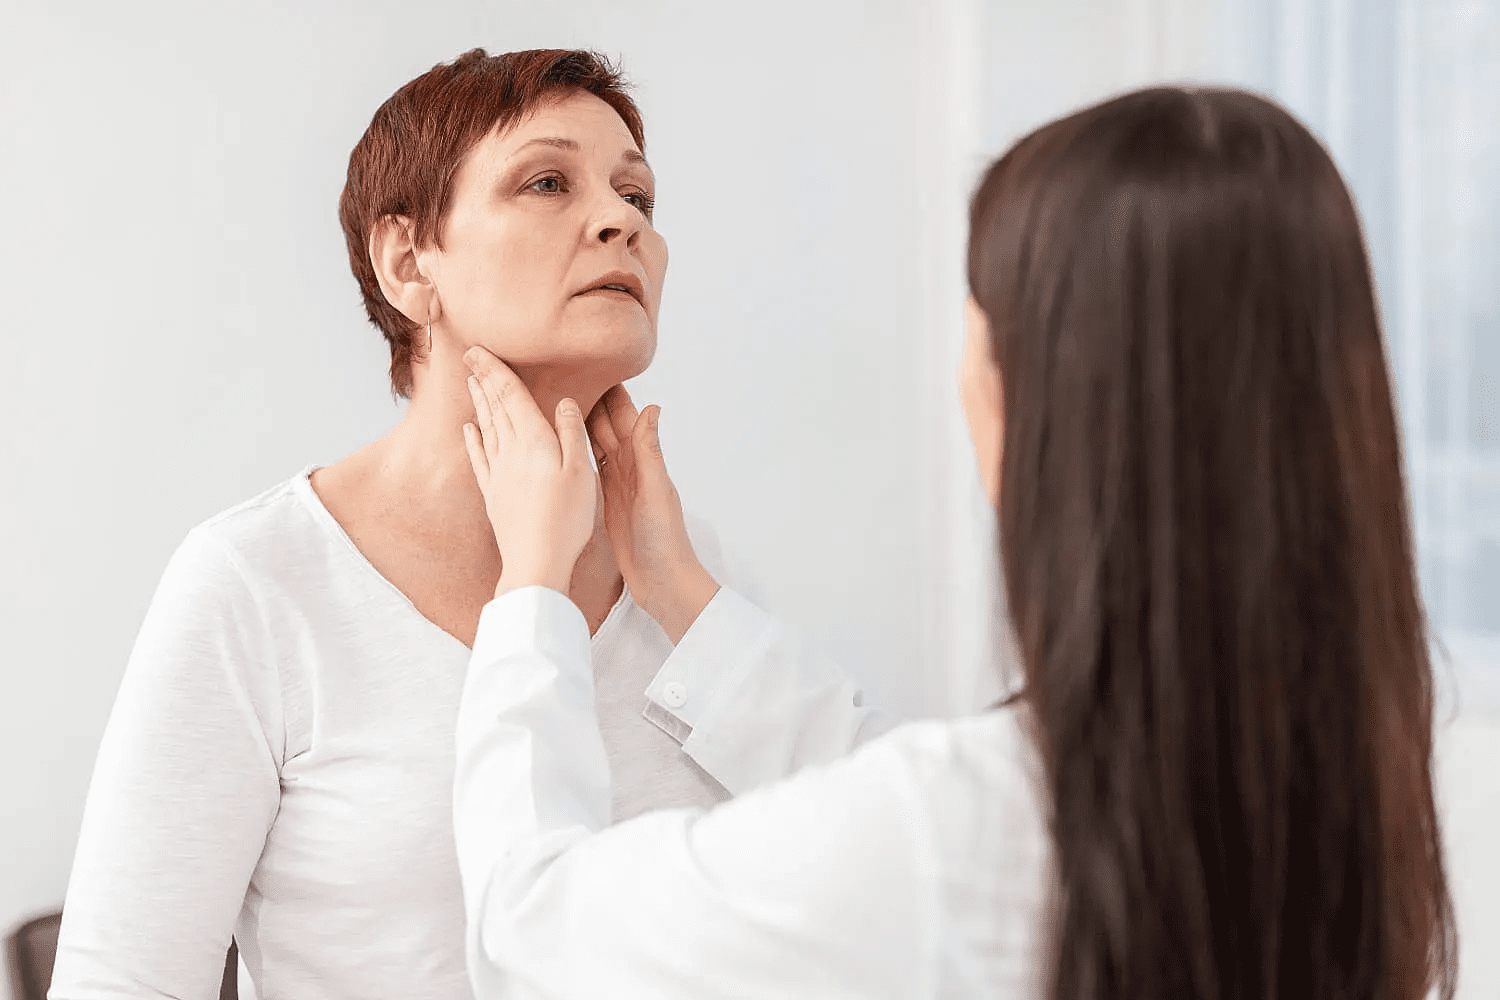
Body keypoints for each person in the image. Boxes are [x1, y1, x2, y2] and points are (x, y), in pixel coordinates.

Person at [452, 85, 1460, 999]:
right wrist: (679, 591)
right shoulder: (1384, 780)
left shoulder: (954, 834)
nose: (619, 219)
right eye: (548, 180)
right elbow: (909, 796)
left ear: (1033, 397)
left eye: (976, 328)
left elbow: (531, 936)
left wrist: (531, 586)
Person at [50, 48, 888, 1000]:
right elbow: (123, 983)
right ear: (408, 261)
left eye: (639, 198)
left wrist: (682, 589)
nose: (620, 221)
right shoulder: (258, 581)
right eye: (546, 182)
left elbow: (847, 894)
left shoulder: (695, 579)